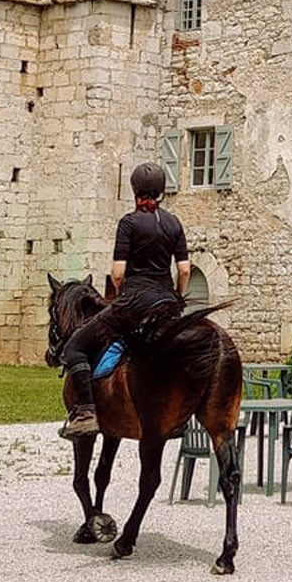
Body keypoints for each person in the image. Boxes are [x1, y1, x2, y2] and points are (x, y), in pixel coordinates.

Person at [58, 162, 193, 439]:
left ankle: (86, 412)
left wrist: (119, 298)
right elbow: (184, 269)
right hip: (167, 303)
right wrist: (178, 296)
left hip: (133, 301)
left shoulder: (129, 222)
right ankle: (180, 414)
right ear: (162, 192)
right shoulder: (174, 222)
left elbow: (117, 274)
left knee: (74, 348)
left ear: (135, 191)